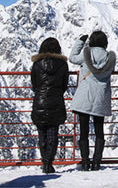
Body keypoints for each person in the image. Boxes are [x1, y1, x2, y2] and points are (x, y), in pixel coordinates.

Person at [69, 31, 116, 171]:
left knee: (83, 131)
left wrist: (80, 42)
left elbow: (72, 58)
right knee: (99, 130)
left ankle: (85, 161)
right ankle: (97, 162)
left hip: (84, 97)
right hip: (101, 97)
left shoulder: (85, 55)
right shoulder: (110, 58)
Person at [31, 37, 69, 174]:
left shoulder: (36, 64)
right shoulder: (63, 64)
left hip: (40, 101)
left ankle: (44, 162)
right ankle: (49, 162)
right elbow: (64, 84)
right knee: (53, 133)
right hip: (56, 101)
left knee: (42, 133)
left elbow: (34, 84)